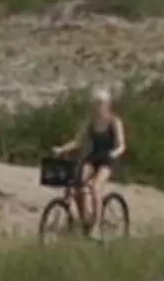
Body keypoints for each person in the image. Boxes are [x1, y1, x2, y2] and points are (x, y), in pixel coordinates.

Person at [51, 88, 126, 237]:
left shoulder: (114, 122)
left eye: (101, 103)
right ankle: (84, 219)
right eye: (96, 103)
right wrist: (61, 149)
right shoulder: (91, 122)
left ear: (107, 104)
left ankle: (96, 226)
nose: (98, 107)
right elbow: (78, 141)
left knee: (95, 187)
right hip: (93, 157)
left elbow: (121, 144)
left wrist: (115, 153)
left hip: (107, 160)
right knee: (77, 183)